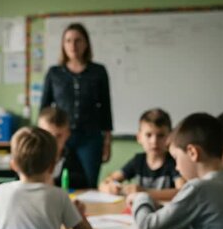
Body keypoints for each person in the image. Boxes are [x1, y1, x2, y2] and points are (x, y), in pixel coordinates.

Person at [40, 23, 113, 188]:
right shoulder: (54, 73)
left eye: (78, 40)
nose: (73, 45)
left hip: (90, 138)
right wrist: (44, 139)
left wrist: (107, 141)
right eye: (68, 41)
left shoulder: (98, 71)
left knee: (88, 182)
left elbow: (106, 108)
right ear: (63, 45)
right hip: (59, 137)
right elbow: (44, 109)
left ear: (86, 43)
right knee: (53, 180)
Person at [99, 108, 185, 201]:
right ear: (139, 138)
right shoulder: (138, 160)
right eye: (148, 135)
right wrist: (110, 188)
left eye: (161, 135)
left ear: (170, 138)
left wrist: (145, 192)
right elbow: (106, 182)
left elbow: (182, 192)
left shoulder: (174, 162)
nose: (154, 141)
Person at [37, 106, 89, 190]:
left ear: (68, 134)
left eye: (59, 136)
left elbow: (83, 183)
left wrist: (53, 182)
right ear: (38, 133)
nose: (53, 141)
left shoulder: (70, 156)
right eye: (48, 134)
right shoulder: (31, 157)